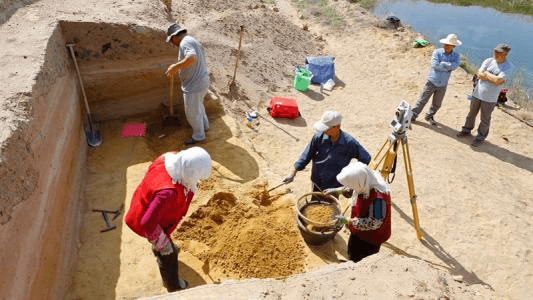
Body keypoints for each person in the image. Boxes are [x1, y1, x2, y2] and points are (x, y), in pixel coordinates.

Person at [125, 147, 212, 292]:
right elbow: (148, 223)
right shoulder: (168, 193)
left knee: (167, 244)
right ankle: (173, 286)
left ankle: (162, 246)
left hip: (148, 206)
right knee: (169, 255)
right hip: (147, 219)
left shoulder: (170, 158)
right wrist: (162, 243)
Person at [282, 111, 371, 192]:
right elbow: (306, 155)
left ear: (337, 127)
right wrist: (293, 173)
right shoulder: (318, 137)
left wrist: (351, 178)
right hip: (317, 180)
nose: (324, 130)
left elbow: (366, 159)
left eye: (326, 128)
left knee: (330, 207)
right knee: (315, 204)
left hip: (334, 186)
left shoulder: (350, 143)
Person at [326, 161, 391, 263]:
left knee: (362, 260)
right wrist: (338, 190)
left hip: (371, 238)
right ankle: (351, 260)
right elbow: (354, 187)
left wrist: (349, 221)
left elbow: (375, 223)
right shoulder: (366, 180)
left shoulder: (378, 199)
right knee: (352, 250)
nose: (351, 187)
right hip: (359, 229)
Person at [457, 43, 511, 147]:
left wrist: (486, 75)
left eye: (498, 52)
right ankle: (466, 130)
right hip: (477, 93)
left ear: (505, 54)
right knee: (471, 114)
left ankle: (480, 137)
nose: (495, 53)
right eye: (495, 51)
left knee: (485, 119)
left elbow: (498, 81)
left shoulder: (507, 66)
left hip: (490, 98)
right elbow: (479, 74)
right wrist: (491, 77)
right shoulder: (488, 60)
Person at [165, 23, 210, 145]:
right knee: (199, 107)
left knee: (192, 113)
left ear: (175, 37)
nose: (172, 43)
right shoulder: (192, 40)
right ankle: (205, 127)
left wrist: (176, 66)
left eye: (171, 40)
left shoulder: (185, 42)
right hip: (201, 81)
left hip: (194, 85)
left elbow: (192, 58)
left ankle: (199, 137)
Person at [411, 33, 462, 125]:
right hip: (432, 81)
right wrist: (448, 67)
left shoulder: (456, 56)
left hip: (443, 84)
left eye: (449, 45)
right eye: (446, 44)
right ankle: (413, 115)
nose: (447, 46)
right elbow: (435, 65)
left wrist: (443, 63)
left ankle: (429, 116)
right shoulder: (437, 52)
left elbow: (455, 66)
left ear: (453, 46)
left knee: (437, 104)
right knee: (422, 100)